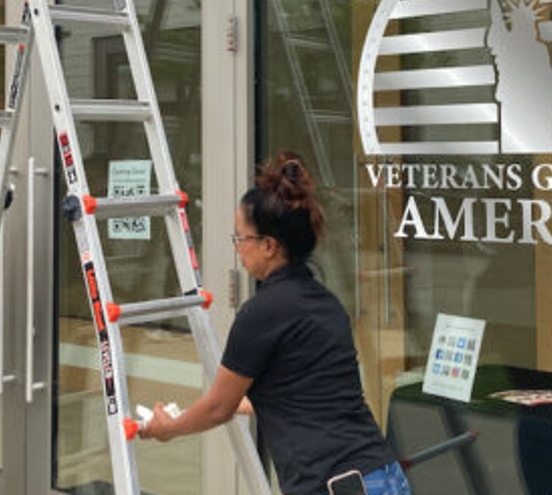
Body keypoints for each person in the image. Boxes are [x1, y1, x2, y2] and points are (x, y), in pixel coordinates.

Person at [140, 151, 410, 495]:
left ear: (269, 246)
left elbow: (218, 408)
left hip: (334, 485)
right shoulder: (327, 305)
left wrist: (170, 428)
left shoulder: (262, 313)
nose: (238, 248)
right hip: (382, 475)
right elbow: (302, 394)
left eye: (241, 238)